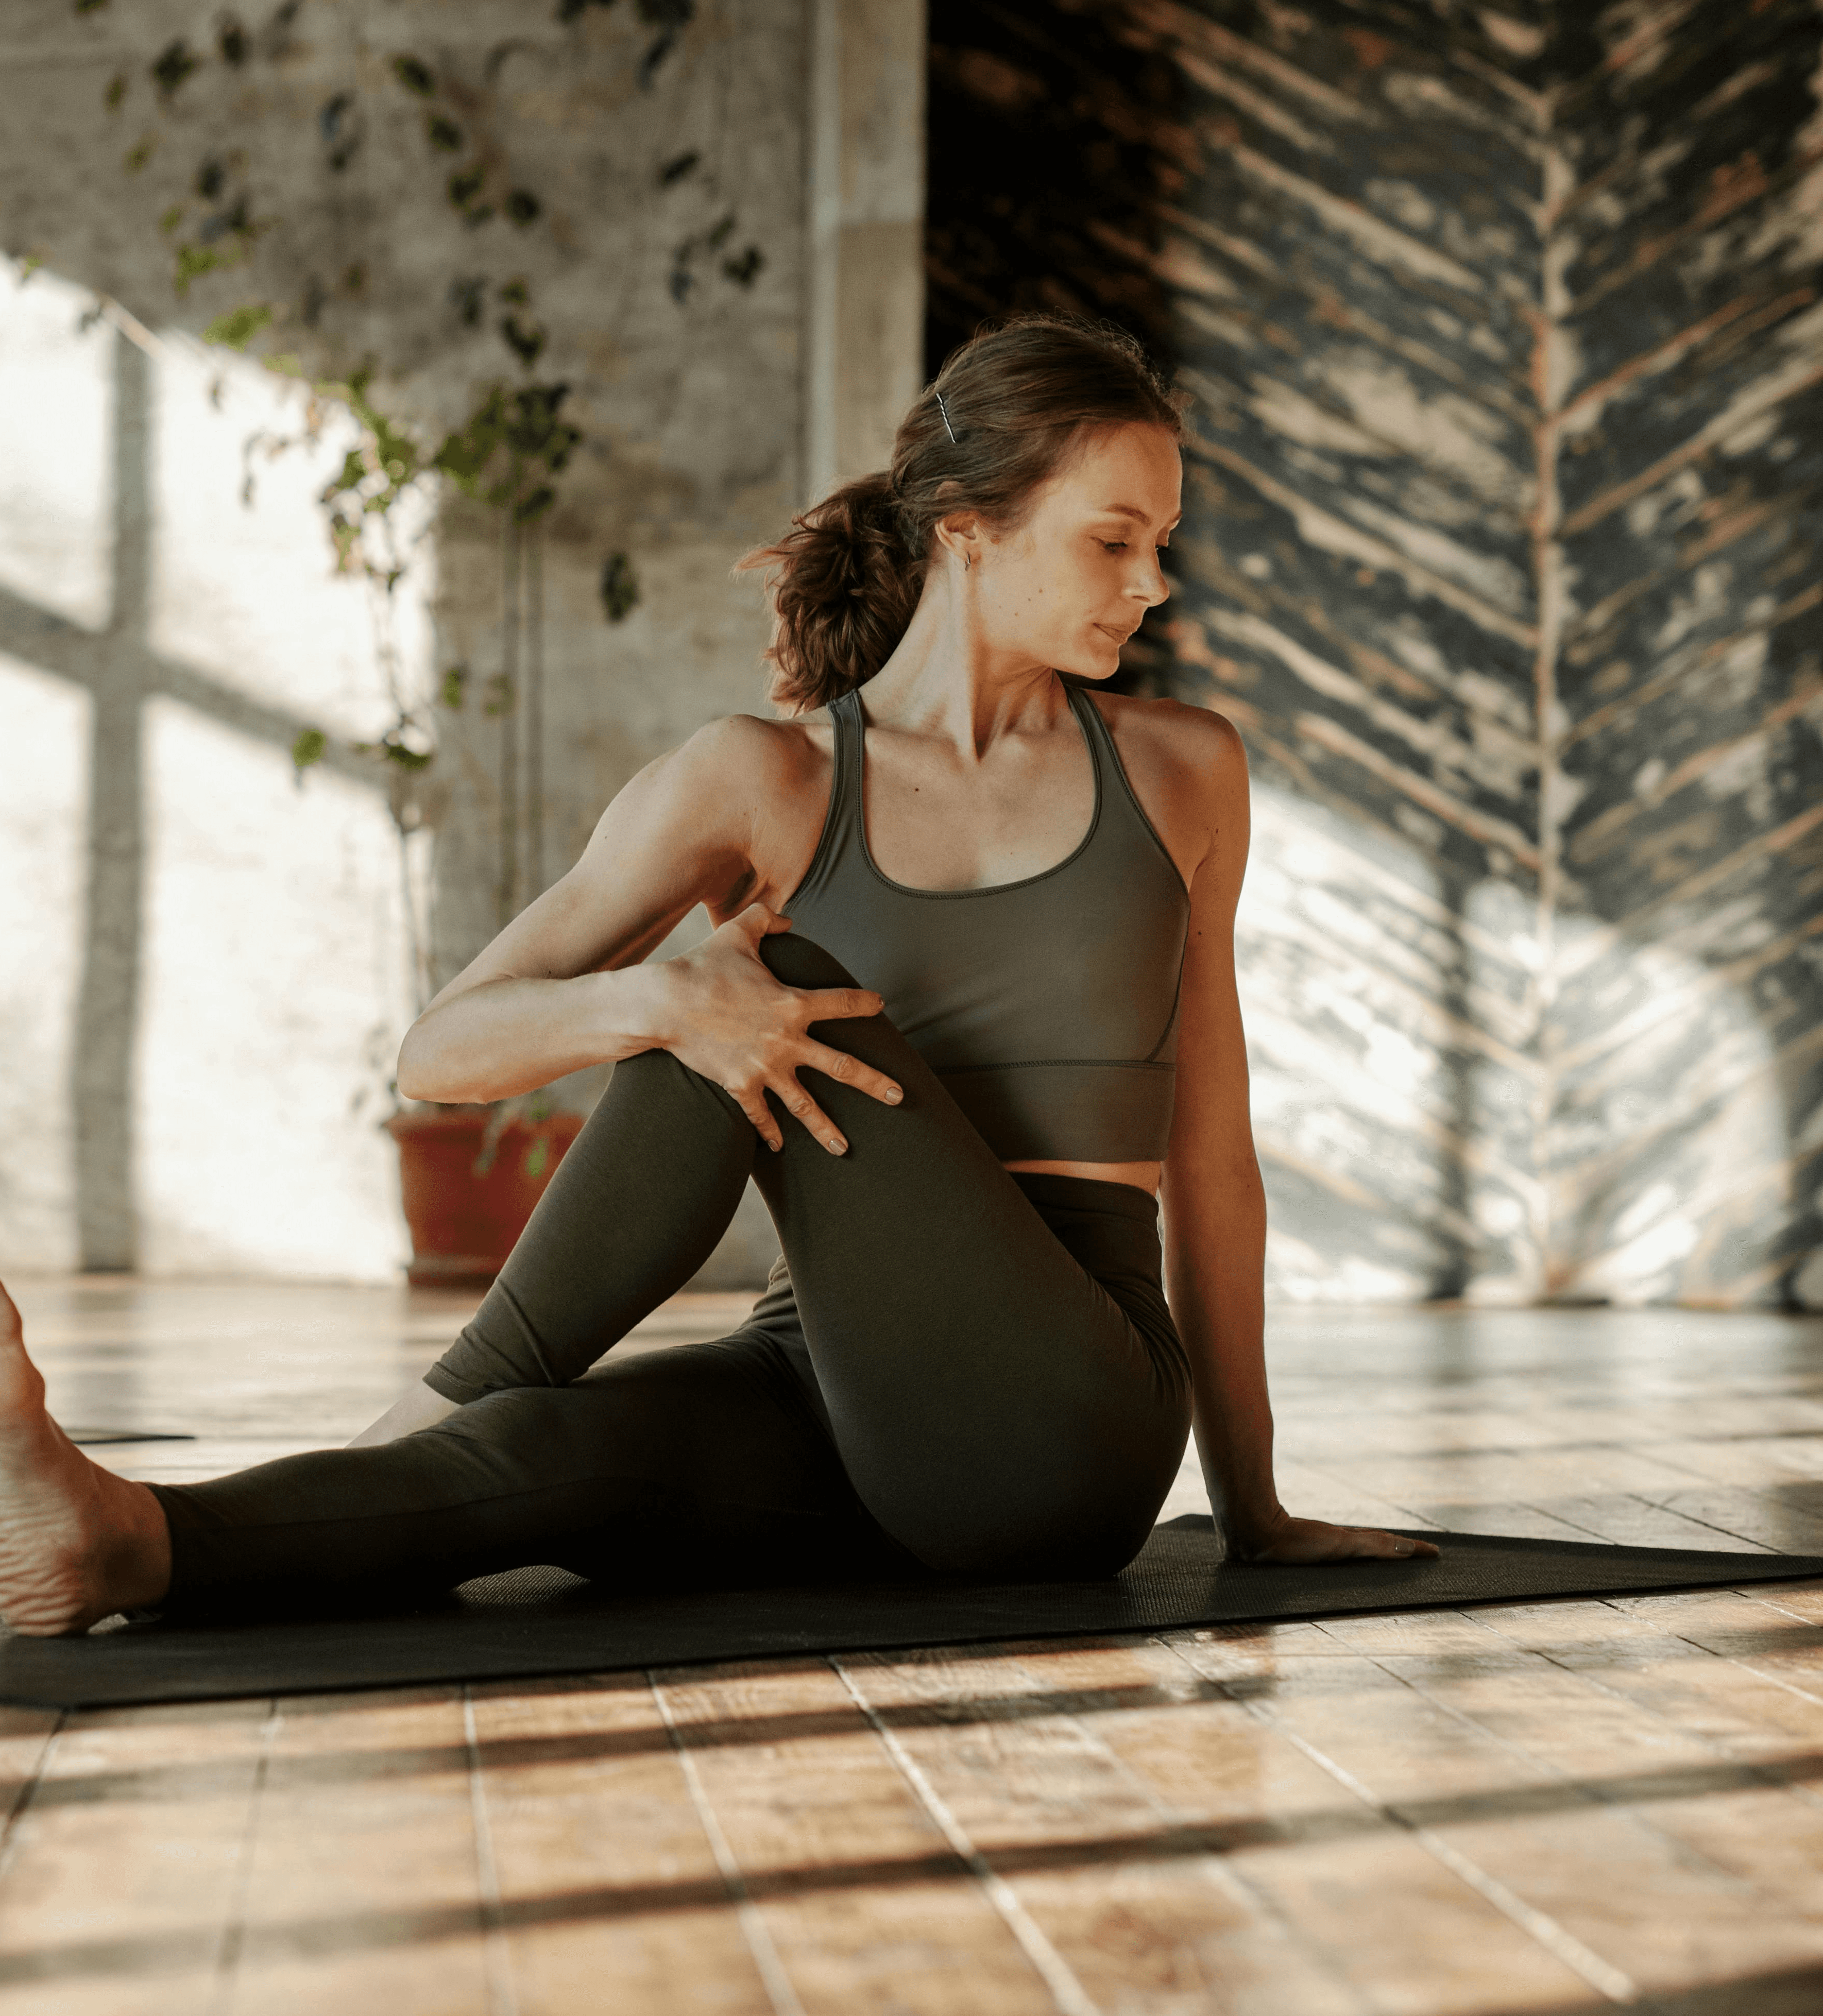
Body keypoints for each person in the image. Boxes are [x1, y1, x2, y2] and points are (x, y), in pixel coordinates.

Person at [0, 315, 1435, 1639]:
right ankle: (116, 1543)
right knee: (541, 1454)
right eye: (1115, 541)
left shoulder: (1183, 773)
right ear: (968, 533)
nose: (1153, 583)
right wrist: (656, 1001)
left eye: (1162, 542)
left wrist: (1253, 1513)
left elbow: (1212, 1152)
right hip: (821, 1392)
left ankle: (424, 1405)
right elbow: (438, 1056)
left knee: (771, 976)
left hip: (1067, 1425)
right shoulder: (766, 781)